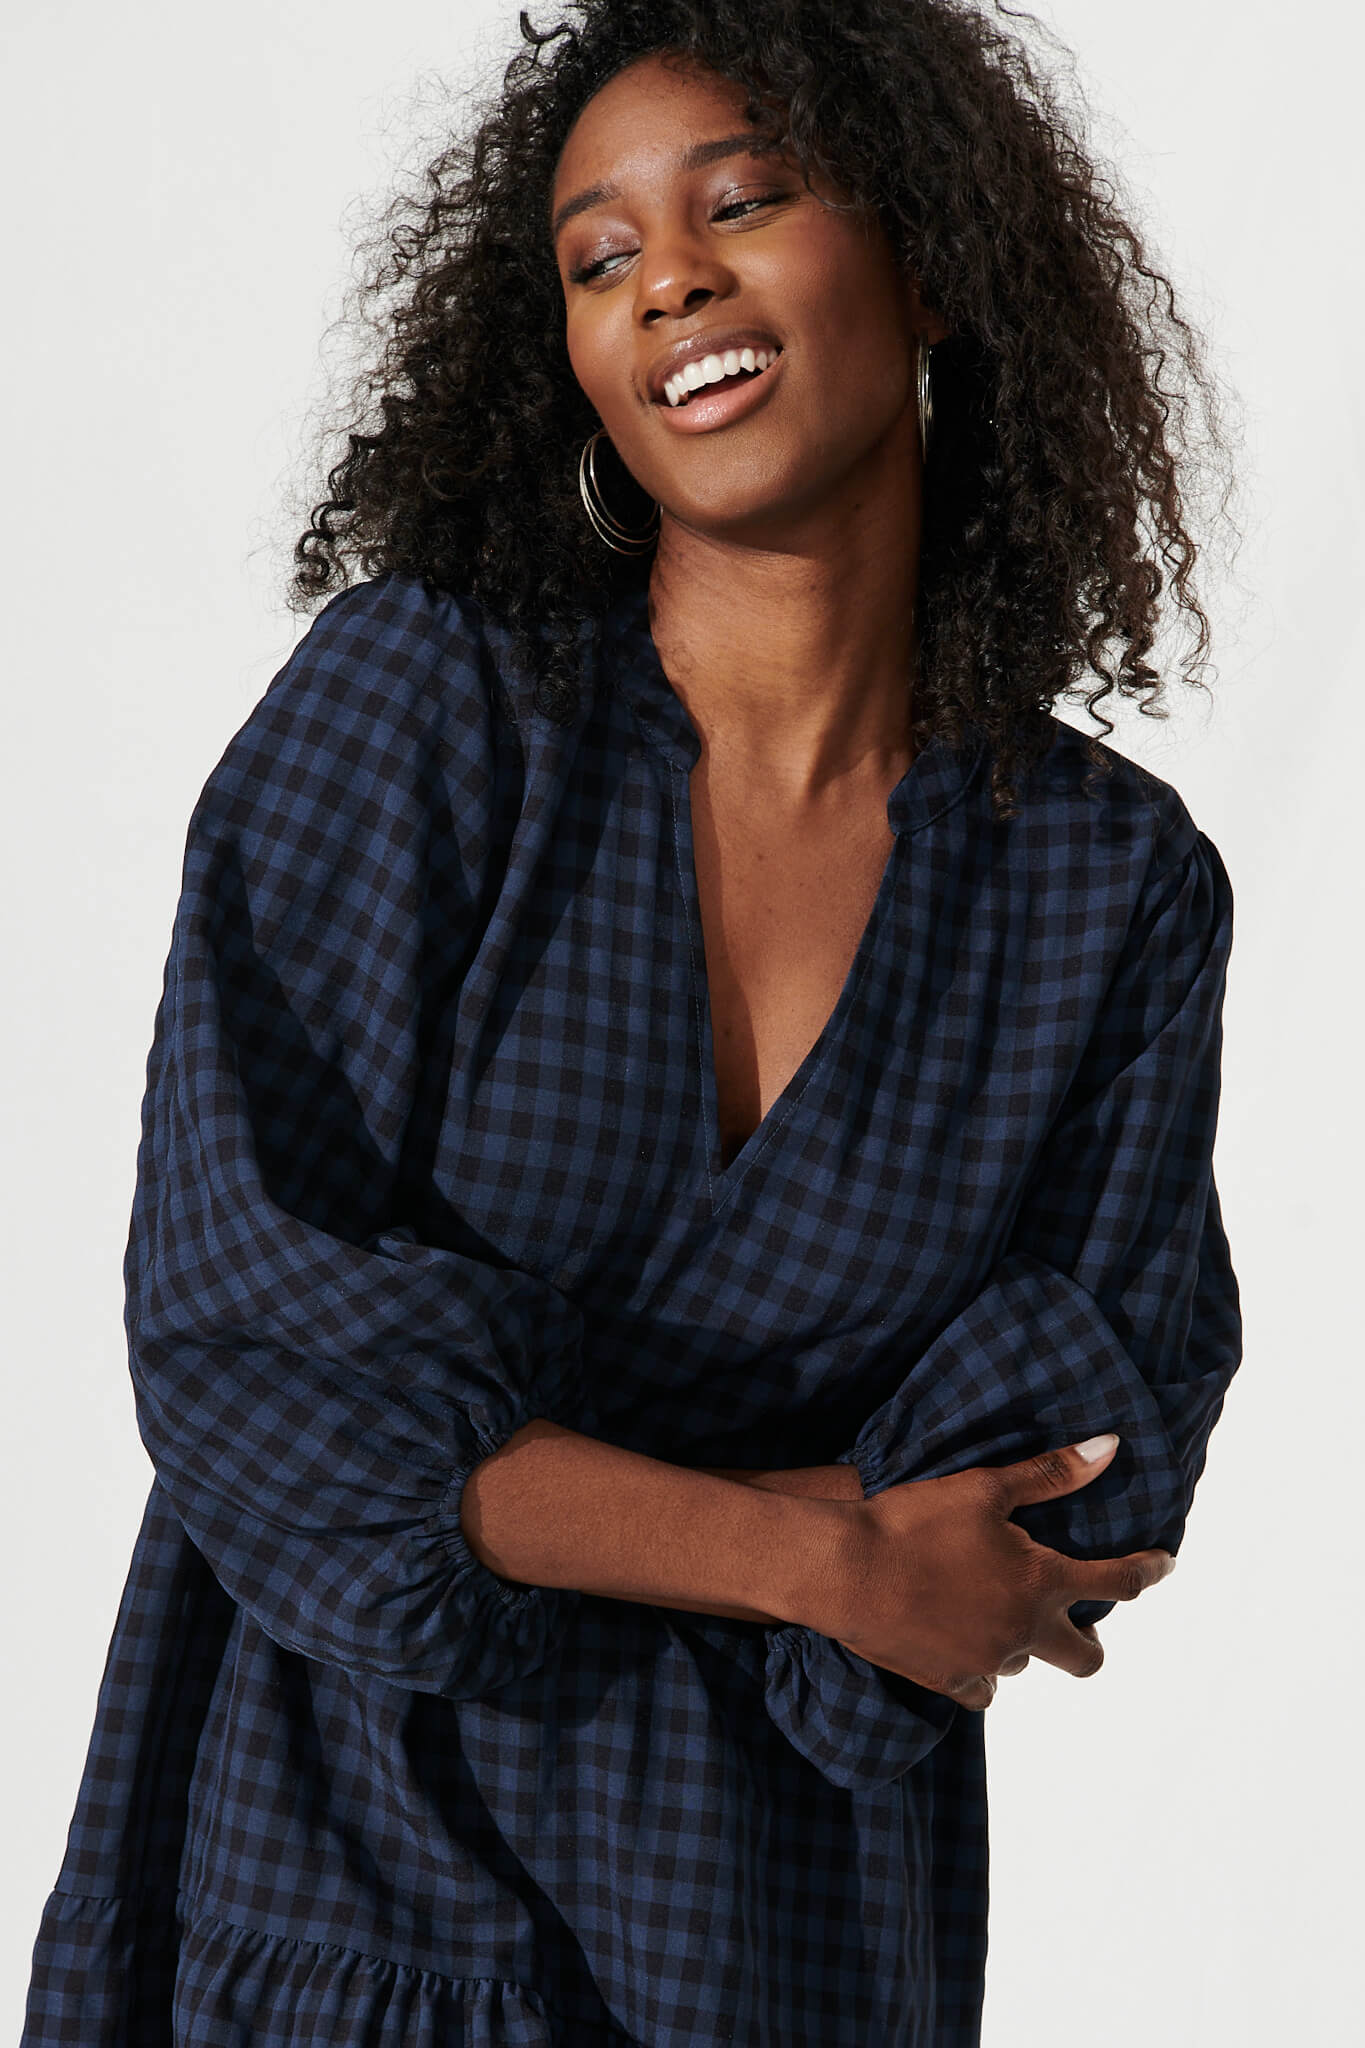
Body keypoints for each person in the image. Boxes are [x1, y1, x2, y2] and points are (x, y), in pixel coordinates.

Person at [21, 2, 1241, 2043]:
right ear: (575, 363)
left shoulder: (1102, 886)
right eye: (599, 257)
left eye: (739, 203)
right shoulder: (427, 712)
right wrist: (811, 1552)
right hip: (337, 1894)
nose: (665, 276)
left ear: (930, 261)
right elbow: (242, 1334)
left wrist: (577, 1494)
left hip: (781, 1937)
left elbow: (1076, 1464)